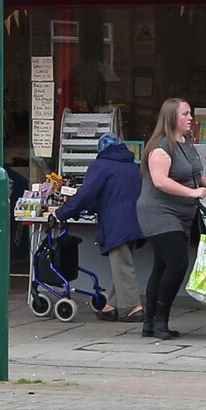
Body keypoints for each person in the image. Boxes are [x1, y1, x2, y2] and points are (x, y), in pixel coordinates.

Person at [135, 97, 206, 339]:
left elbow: (193, 172)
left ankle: (150, 323)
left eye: (190, 113)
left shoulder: (186, 143)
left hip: (181, 214)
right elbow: (160, 181)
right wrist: (192, 193)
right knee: (177, 263)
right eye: (185, 114)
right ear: (172, 117)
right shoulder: (161, 148)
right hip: (158, 213)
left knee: (162, 266)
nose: (190, 118)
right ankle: (161, 320)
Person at [57, 131, 145, 323]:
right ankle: (111, 307)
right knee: (120, 266)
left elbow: (86, 195)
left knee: (122, 267)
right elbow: (113, 194)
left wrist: (62, 212)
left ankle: (133, 307)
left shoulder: (101, 166)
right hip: (135, 221)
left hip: (116, 223)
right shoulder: (133, 166)